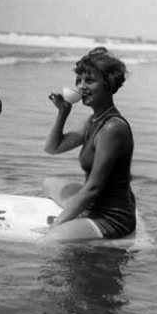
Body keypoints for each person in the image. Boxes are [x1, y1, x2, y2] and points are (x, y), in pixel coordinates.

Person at [42, 47, 136, 241]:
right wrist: (62, 113)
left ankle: (77, 222)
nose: (81, 86)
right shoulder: (93, 120)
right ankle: (78, 214)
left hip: (111, 217)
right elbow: (53, 148)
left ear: (109, 84)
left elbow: (93, 188)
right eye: (79, 80)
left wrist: (59, 223)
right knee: (49, 183)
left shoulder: (112, 128)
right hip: (95, 203)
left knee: (51, 240)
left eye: (90, 81)